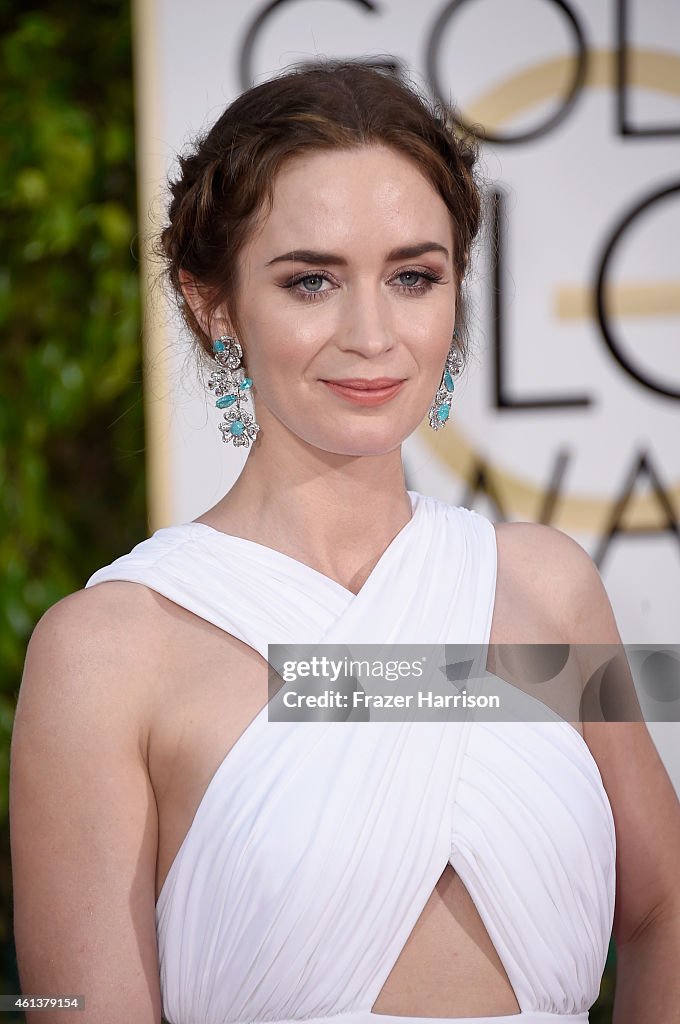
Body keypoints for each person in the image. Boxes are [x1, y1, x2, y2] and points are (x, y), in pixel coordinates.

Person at [10, 58, 680, 1024]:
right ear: (215, 305)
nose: (373, 334)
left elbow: (662, 908)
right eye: (311, 281)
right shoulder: (108, 652)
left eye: (414, 276)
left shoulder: (548, 587)